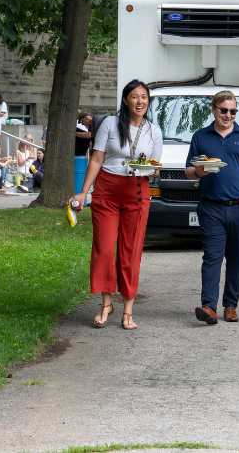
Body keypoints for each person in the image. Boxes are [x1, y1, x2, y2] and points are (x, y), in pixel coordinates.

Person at [71, 79, 163, 330]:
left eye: (144, 97)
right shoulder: (110, 124)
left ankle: (128, 311)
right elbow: (97, 159)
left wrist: (151, 169)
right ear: (125, 100)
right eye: (135, 96)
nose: (140, 101)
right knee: (103, 247)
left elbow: (154, 168)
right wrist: (83, 193)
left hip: (137, 190)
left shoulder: (154, 131)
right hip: (107, 191)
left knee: (130, 251)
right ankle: (106, 304)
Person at [187, 89, 239, 325]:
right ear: (214, 109)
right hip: (211, 207)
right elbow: (189, 170)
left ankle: (230, 305)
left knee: (236, 258)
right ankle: (209, 306)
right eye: (224, 110)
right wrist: (200, 170)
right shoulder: (201, 136)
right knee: (212, 257)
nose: (228, 115)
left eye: (232, 111)